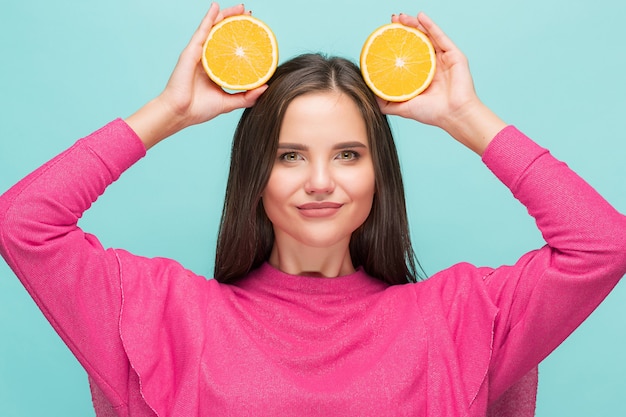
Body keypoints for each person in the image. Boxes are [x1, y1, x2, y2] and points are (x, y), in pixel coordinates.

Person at [0, 2, 624, 416]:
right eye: (290, 156)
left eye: (348, 154)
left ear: (380, 173)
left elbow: (602, 245)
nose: (320, 182)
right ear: (256, 174)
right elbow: (23, 223)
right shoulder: (168, 313)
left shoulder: (460, 317)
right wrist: (169, 113)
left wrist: (467, 118)